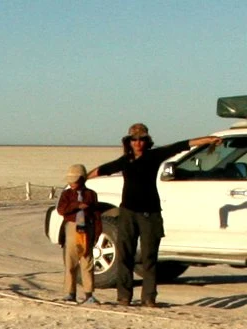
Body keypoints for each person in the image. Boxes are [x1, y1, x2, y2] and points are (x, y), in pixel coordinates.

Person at [90, 123, 217, 307]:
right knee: (125, 255)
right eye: (134, 139)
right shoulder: (125, 160)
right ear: (129, 141)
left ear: (147, 141)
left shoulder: (154, 156)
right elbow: (102, 170)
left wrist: (208, 139)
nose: (138, 143)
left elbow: (181, 145)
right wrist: (81, 178)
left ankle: (149, 297)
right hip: (128, 213)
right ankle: (124, 297)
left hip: (150, 214)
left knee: (149, 257)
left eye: (142, 139)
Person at [54, 165, 105, 303]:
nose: (72, 184)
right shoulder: (67, 194)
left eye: (74, 181)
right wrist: (76, 205)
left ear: (82, 180)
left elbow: (96, 215)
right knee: (70, 262)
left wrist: (97, 232)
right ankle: (70, 292)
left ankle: (89, 293)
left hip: (87, 228)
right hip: (71, 228)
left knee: (87, 261)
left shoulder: (91, 194)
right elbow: (61, 210)